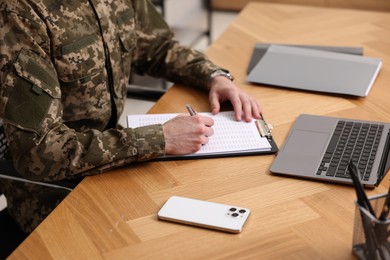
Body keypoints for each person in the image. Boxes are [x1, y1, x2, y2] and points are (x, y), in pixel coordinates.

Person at [0, 0, 261, 233]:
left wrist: (213, 76)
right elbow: (38, 150)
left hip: (117, 163)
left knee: (227, 198)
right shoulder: (21, 12)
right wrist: (158, 138)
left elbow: (157, 47)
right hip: (57, 198)